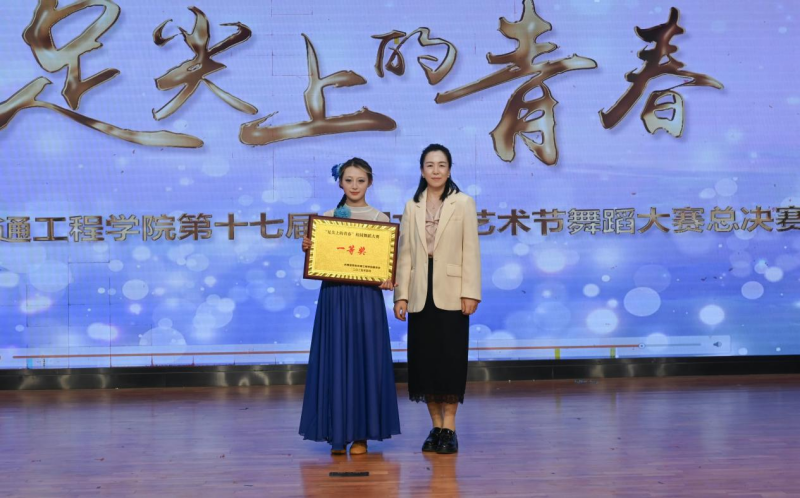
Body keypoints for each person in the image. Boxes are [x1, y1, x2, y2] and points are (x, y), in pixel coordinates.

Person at [299, 157, 401, 455]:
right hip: (335, 295)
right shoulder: (328, 217)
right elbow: (321, 258)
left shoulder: (380, 218)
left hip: (366, 298)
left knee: (364, 360)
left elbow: (386, 264)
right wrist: (310, 249)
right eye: (348, 180)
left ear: (370, 182)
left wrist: (388, 278)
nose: (354, 186)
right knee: (335, 359)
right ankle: (336, 432)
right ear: (340, 183)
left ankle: (361, 435)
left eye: (360, 180)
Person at [393, 143, 481, 455]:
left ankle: (450, 428)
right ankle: (435, 426)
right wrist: (401, 296)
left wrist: (470, 292)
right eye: (429, 165)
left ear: (449, 169)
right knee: (425, 363)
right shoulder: (412, 206)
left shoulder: (463, 202)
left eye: (441, 165)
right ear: (422, 170)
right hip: (420, 292)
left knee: (450, 361)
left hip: (453, 292)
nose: (435, 170)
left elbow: (471, 249)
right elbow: (405, 254)